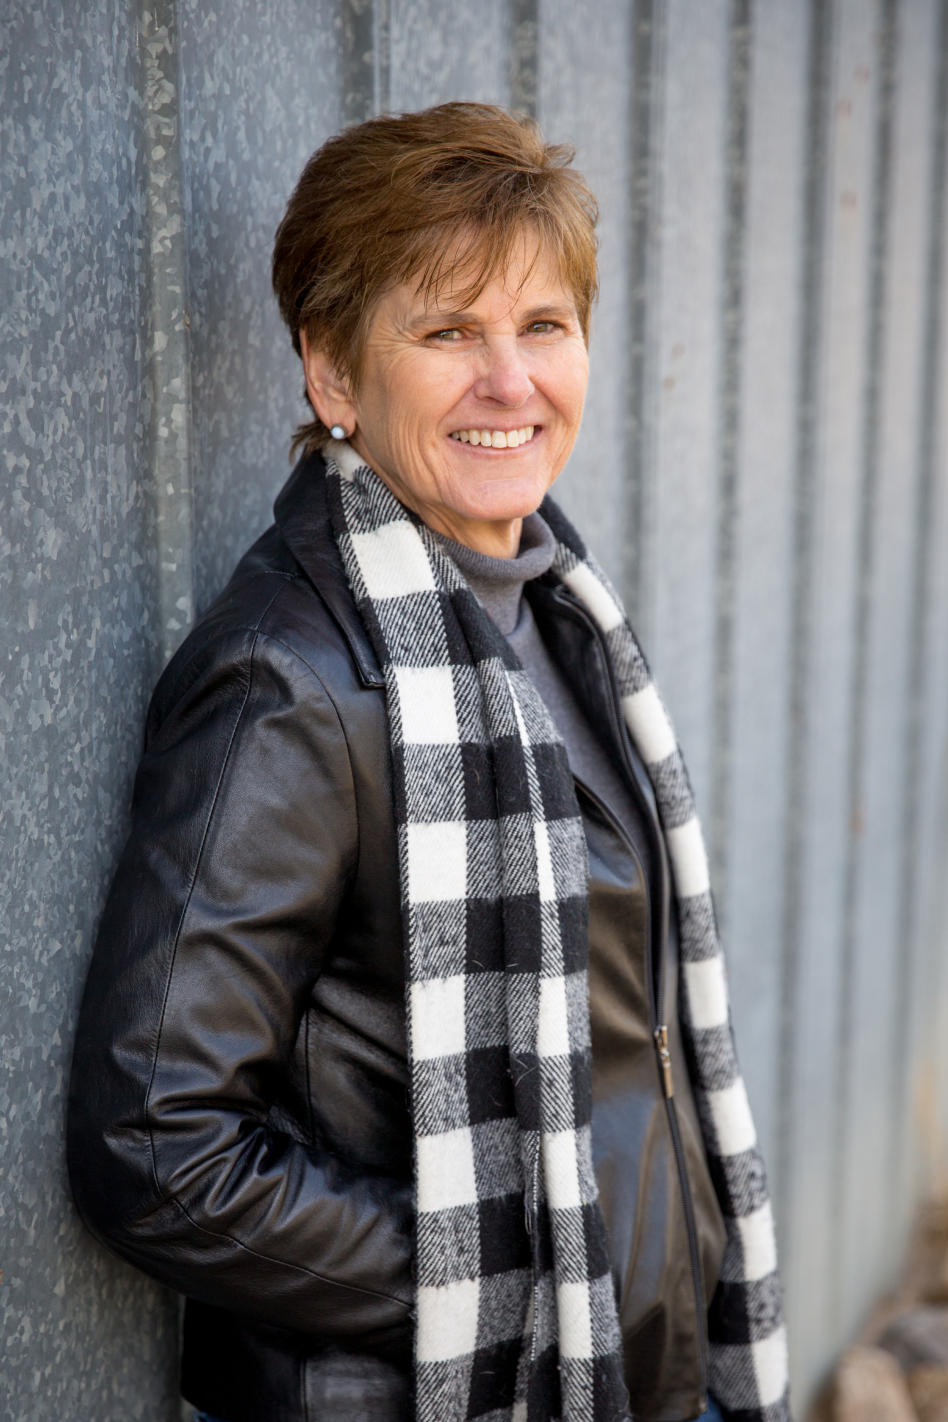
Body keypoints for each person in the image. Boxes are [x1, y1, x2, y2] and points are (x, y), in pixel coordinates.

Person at [67, 103, 789, 1422]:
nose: (509, 382)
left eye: (542, 327)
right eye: (447, 331)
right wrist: (495, 1281)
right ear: (334, 376)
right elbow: (155, 1143)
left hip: (626, 1370)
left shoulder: (564, 614)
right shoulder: (290, 679)